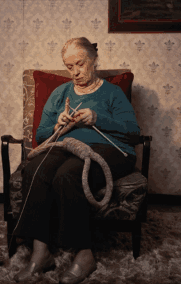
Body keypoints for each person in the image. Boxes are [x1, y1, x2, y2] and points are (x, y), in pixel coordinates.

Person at [13, 37, 140, 284]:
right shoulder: (61, 93)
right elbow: (40, 135)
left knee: (69, 174)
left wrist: (97, 118)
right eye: (69, 66)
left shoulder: (112, 92)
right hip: (66, 146)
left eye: (80, 64)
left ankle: (84, 254)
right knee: (35, 168)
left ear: (94, 60)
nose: (75, 72)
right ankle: (41, 252)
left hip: (110, 149)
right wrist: (57, 125)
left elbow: (133, 133)